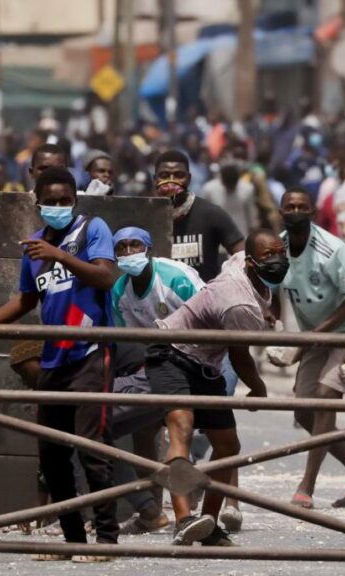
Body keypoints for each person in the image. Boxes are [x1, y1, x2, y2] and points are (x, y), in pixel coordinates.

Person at [0, 167, 119, 562]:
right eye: (49, 201)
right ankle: (71, 541)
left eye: (64, 200)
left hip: (89, 351)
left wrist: (61, 256)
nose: (57, 207)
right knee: (51, 454)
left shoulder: (92, 229)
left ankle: (106, 540)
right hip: (54, 356)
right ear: (36, 201)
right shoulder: (33, 245)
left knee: (91, 448)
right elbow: (25, 300)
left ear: (75, 199)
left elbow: (105, 277)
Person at [146, 229, 282, 546]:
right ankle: (184, 520)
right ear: (250, 262)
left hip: (205, 365)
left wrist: (266, 308)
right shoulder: (240, 305)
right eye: (268, 257)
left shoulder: (239, 264)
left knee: (227, 446)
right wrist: (258, 389)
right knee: (181, 427)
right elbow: (240, 355)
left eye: (280, 254)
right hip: (171, 352)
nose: (276, 262)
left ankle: (209, 525)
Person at [272, 187, 345, 510]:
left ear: (313, 212)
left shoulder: (332, 249)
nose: (295, 211)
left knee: (324, 399)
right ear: (281, 212)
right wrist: (271, 314)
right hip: (313, 337)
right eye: (289, 206)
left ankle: (306, 486)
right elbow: (275, 290)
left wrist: (322, 332)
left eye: (301, 207)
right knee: (304, 411)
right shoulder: (277, 248)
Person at [109, 226, 205, 535]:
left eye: (134, 245)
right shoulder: (119, 291)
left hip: (198, 356)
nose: (128, 253)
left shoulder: (175, 277)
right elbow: (127, 338)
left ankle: (216, 504)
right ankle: (154, 510)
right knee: (140, 434)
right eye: (120, 248)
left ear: (148, 247)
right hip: (153, 364)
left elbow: (208, 316)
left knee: (207, 431)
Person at [154, 150, 244, 283]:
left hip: (205, 301)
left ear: (189, 179)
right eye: (164, 175)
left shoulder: (211, 214)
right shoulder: (145, 217)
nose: (171, 181)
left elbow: (243, 258)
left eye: (179, 175)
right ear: (155, 179)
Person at [201, 162, 257, 236]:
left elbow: (251, 217)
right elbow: (205, 217)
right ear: (222, 179)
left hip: (241, 236)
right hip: (217, 237)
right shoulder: (209, 190)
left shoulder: (247, 189)